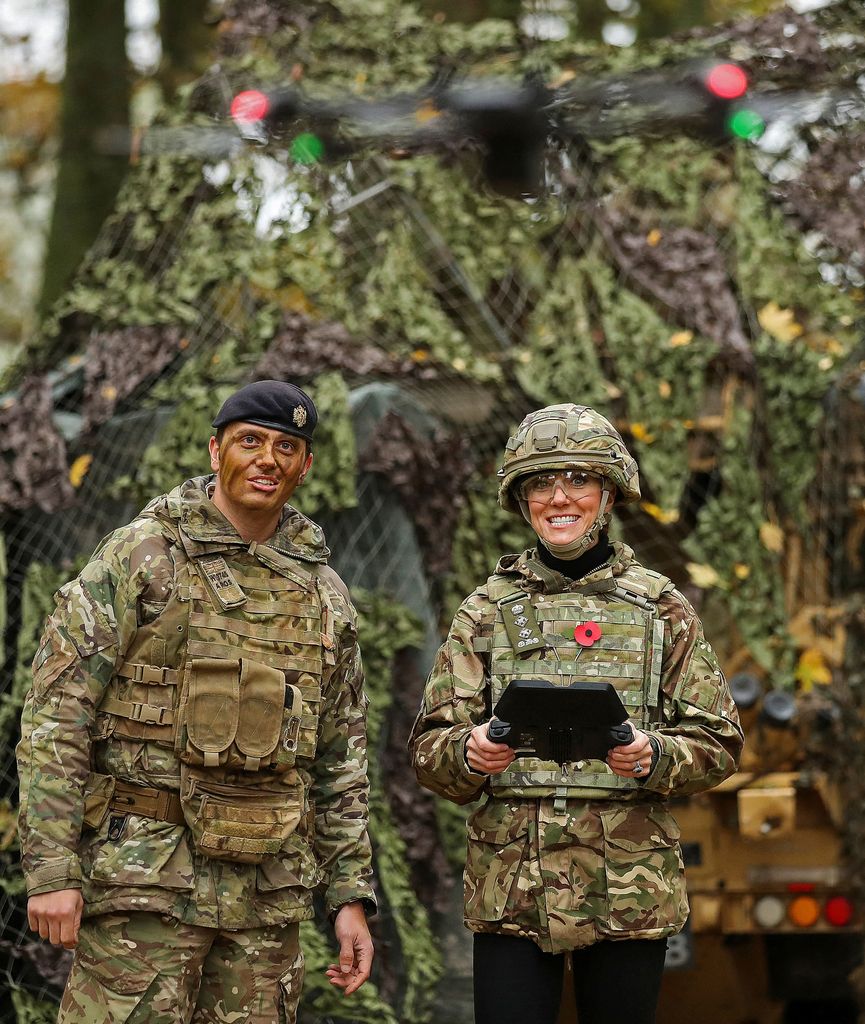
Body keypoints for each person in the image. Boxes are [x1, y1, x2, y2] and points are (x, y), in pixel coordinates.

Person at [17, 379, 376, 1024]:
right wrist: (52, 870)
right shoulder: (140, 558)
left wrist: (348, 897)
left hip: (266, 896)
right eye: (250, 442)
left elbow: (339, 756)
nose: (267, 459)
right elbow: (57, 715)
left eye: (286, 447)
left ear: (306, 465)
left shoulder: (323, 593)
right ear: (215, 451)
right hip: (144, 880)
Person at [409, 403, 743, 1024]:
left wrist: (655, 754)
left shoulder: (660, 610)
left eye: (578, 480)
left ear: (608, 494)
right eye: (541, 482)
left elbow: (719, 742)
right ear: (522, 498)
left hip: (628, 888)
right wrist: (469, 752)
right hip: (513, 887)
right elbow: (430, 752)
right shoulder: (485, 611)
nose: (558, 498)